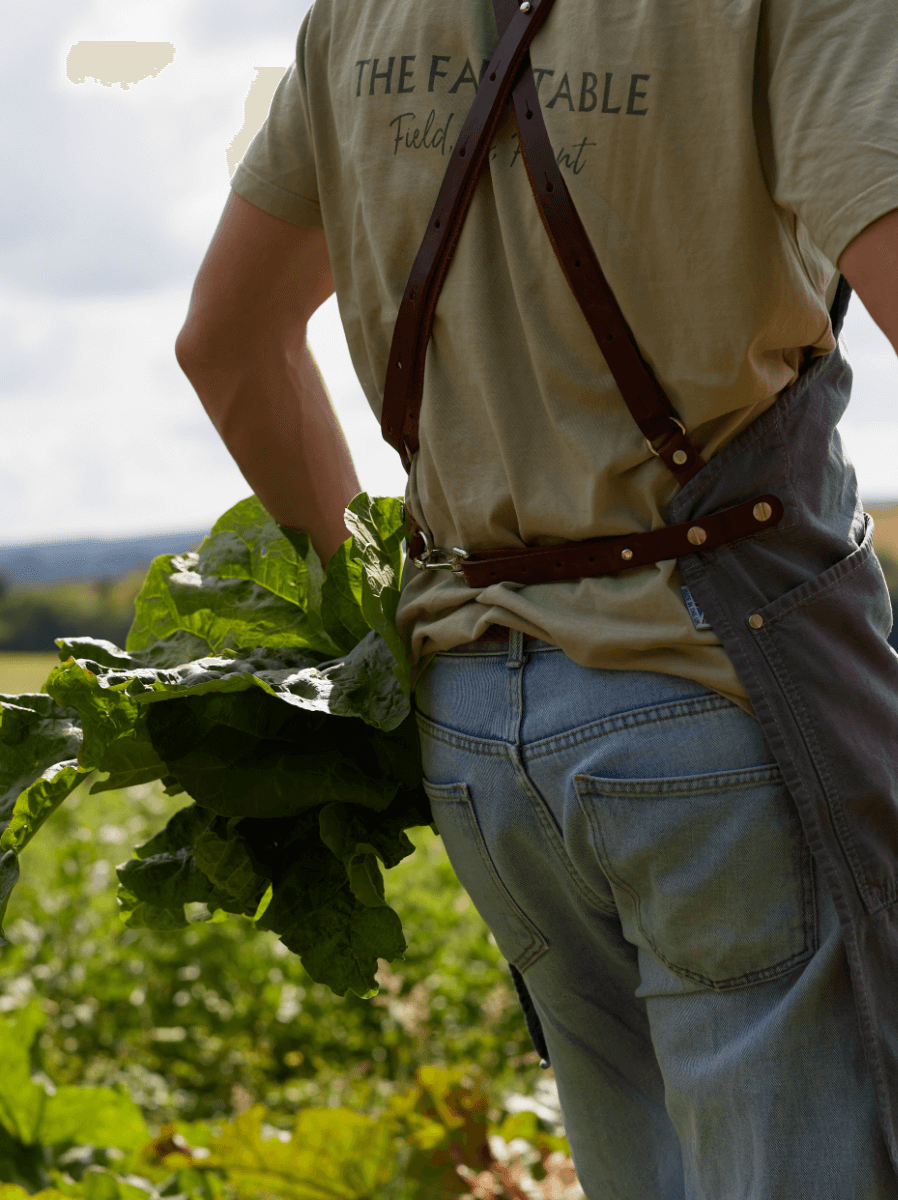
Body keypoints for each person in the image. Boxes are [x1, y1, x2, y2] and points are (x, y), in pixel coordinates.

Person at [174, 0, 898, 1194]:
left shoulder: (357, 14)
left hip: (476, 729)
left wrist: (369, 632)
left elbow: (228, 340)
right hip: (722, 698)